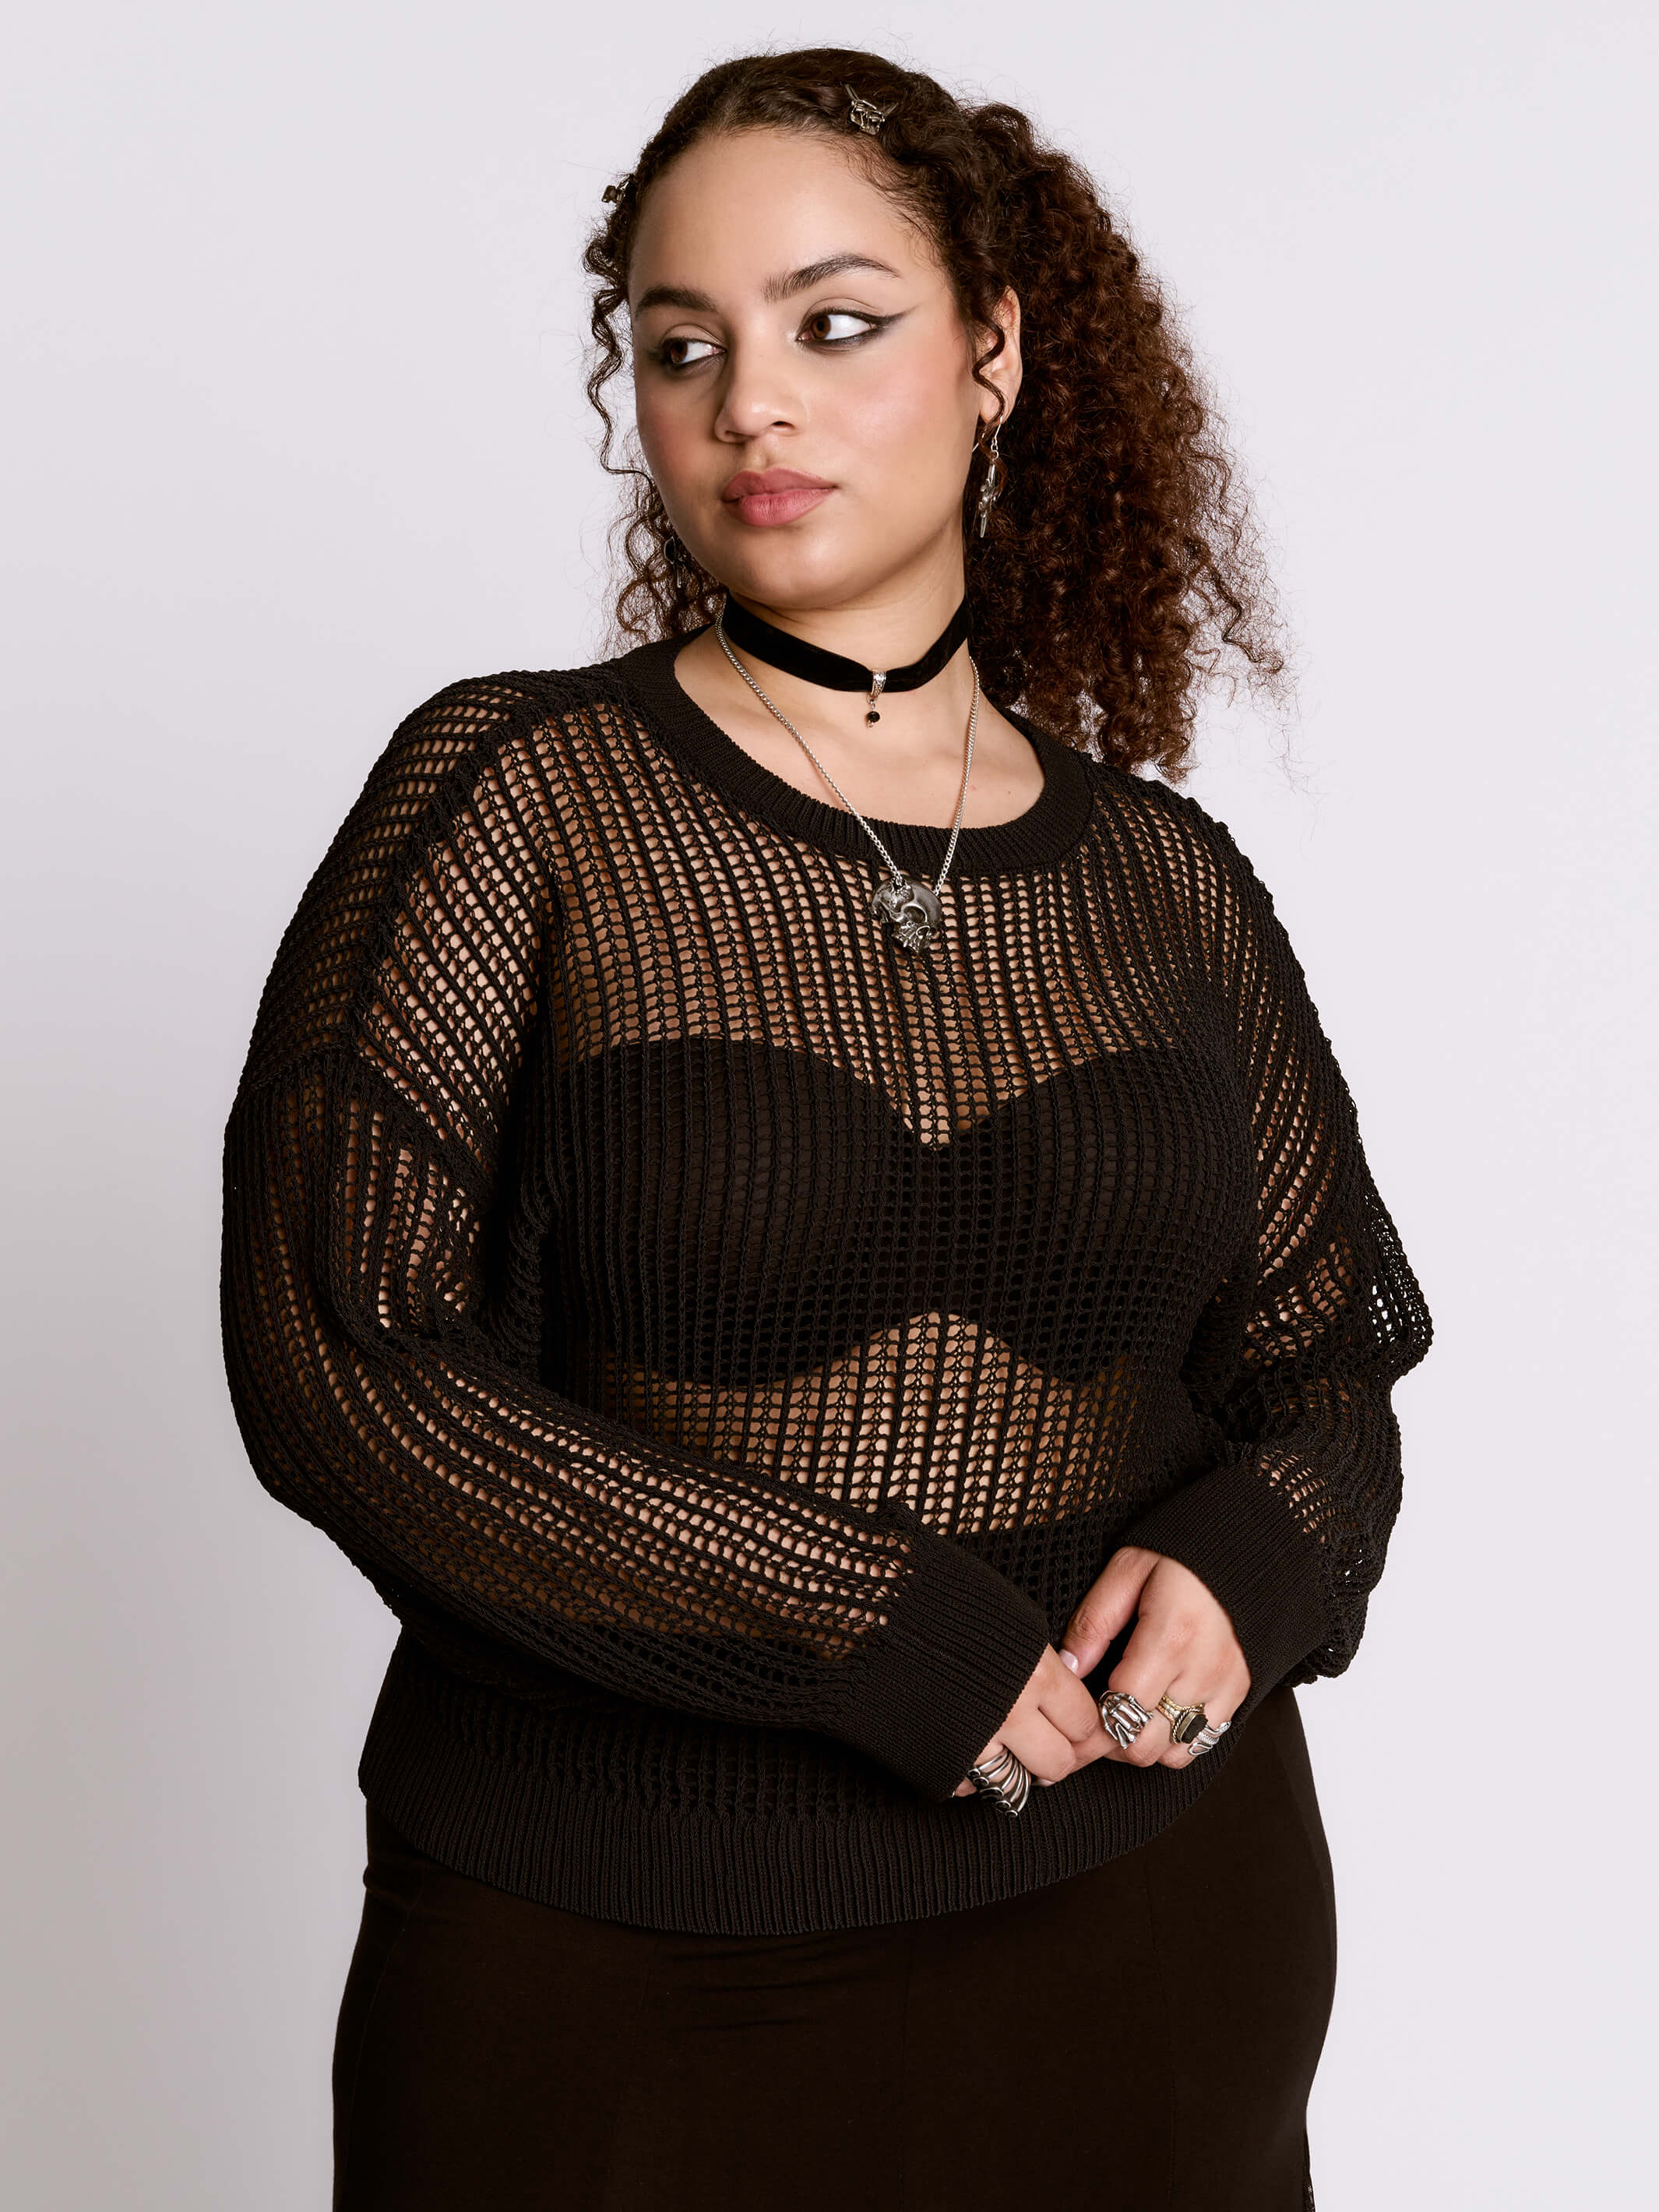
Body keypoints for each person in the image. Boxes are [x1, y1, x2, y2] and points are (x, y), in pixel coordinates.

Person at [220, 45, 1433, 2211]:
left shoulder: (1164, 883)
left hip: (1153, 1926)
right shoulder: (521, 799)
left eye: (833, 325)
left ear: (994, 355)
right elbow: (346, 1360)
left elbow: (1324, 1359)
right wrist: (866, 1625)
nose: (748, 406)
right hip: (619, 1960)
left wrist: (1257, 1558)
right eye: (681, 347)